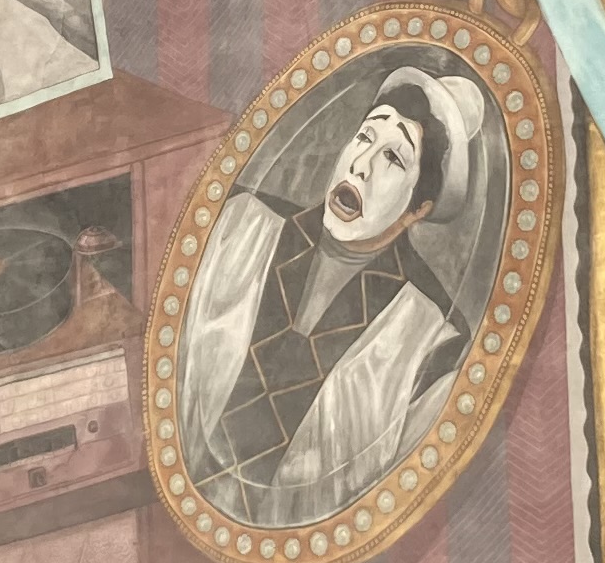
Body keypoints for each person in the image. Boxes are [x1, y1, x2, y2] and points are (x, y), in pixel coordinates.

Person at [174, 64, 487, 527]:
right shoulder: (238, 225)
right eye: (364, 138)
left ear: (417, 208)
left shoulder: (432, 344)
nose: (361, 166)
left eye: (394, 159)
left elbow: (391, 506)